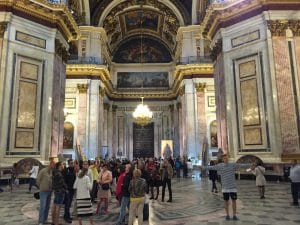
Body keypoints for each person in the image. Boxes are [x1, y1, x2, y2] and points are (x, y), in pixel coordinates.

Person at [203, 154, 250, 221]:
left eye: (227, 158)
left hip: (232, 187)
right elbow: (211, 167)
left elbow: (241, 165)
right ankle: (227, 215)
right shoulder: (220, 166)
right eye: (224, 158)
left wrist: (251, 165)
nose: (226, 159)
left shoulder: (232, 165)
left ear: (228, 158)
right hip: (225, 188)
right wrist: (203, 167)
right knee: (226, 201)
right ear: (222, 159)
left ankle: (234, 215)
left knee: (234, 201)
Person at [36, 157, 56, 225]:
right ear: (50, 164)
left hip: (50, 192)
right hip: (43, 192)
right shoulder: (43, 171)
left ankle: (45, 220)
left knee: (47, 206)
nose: (54, 166)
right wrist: (41, 187)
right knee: (43, 206)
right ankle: (40, 221)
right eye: (53, 165)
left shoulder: (51, 172)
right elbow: (38, 180)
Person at [63, 159, 76, 223]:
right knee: (67, 204)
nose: (72, 164)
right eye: (71, 163)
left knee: (69, 203)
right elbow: (63, 181)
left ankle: (66, 215)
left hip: (72, 190)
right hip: (67, 190)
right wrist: (66, 189)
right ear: (68, 164)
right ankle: (66, 217)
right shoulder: (66, 170)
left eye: (73, 163)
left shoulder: (74, 170)